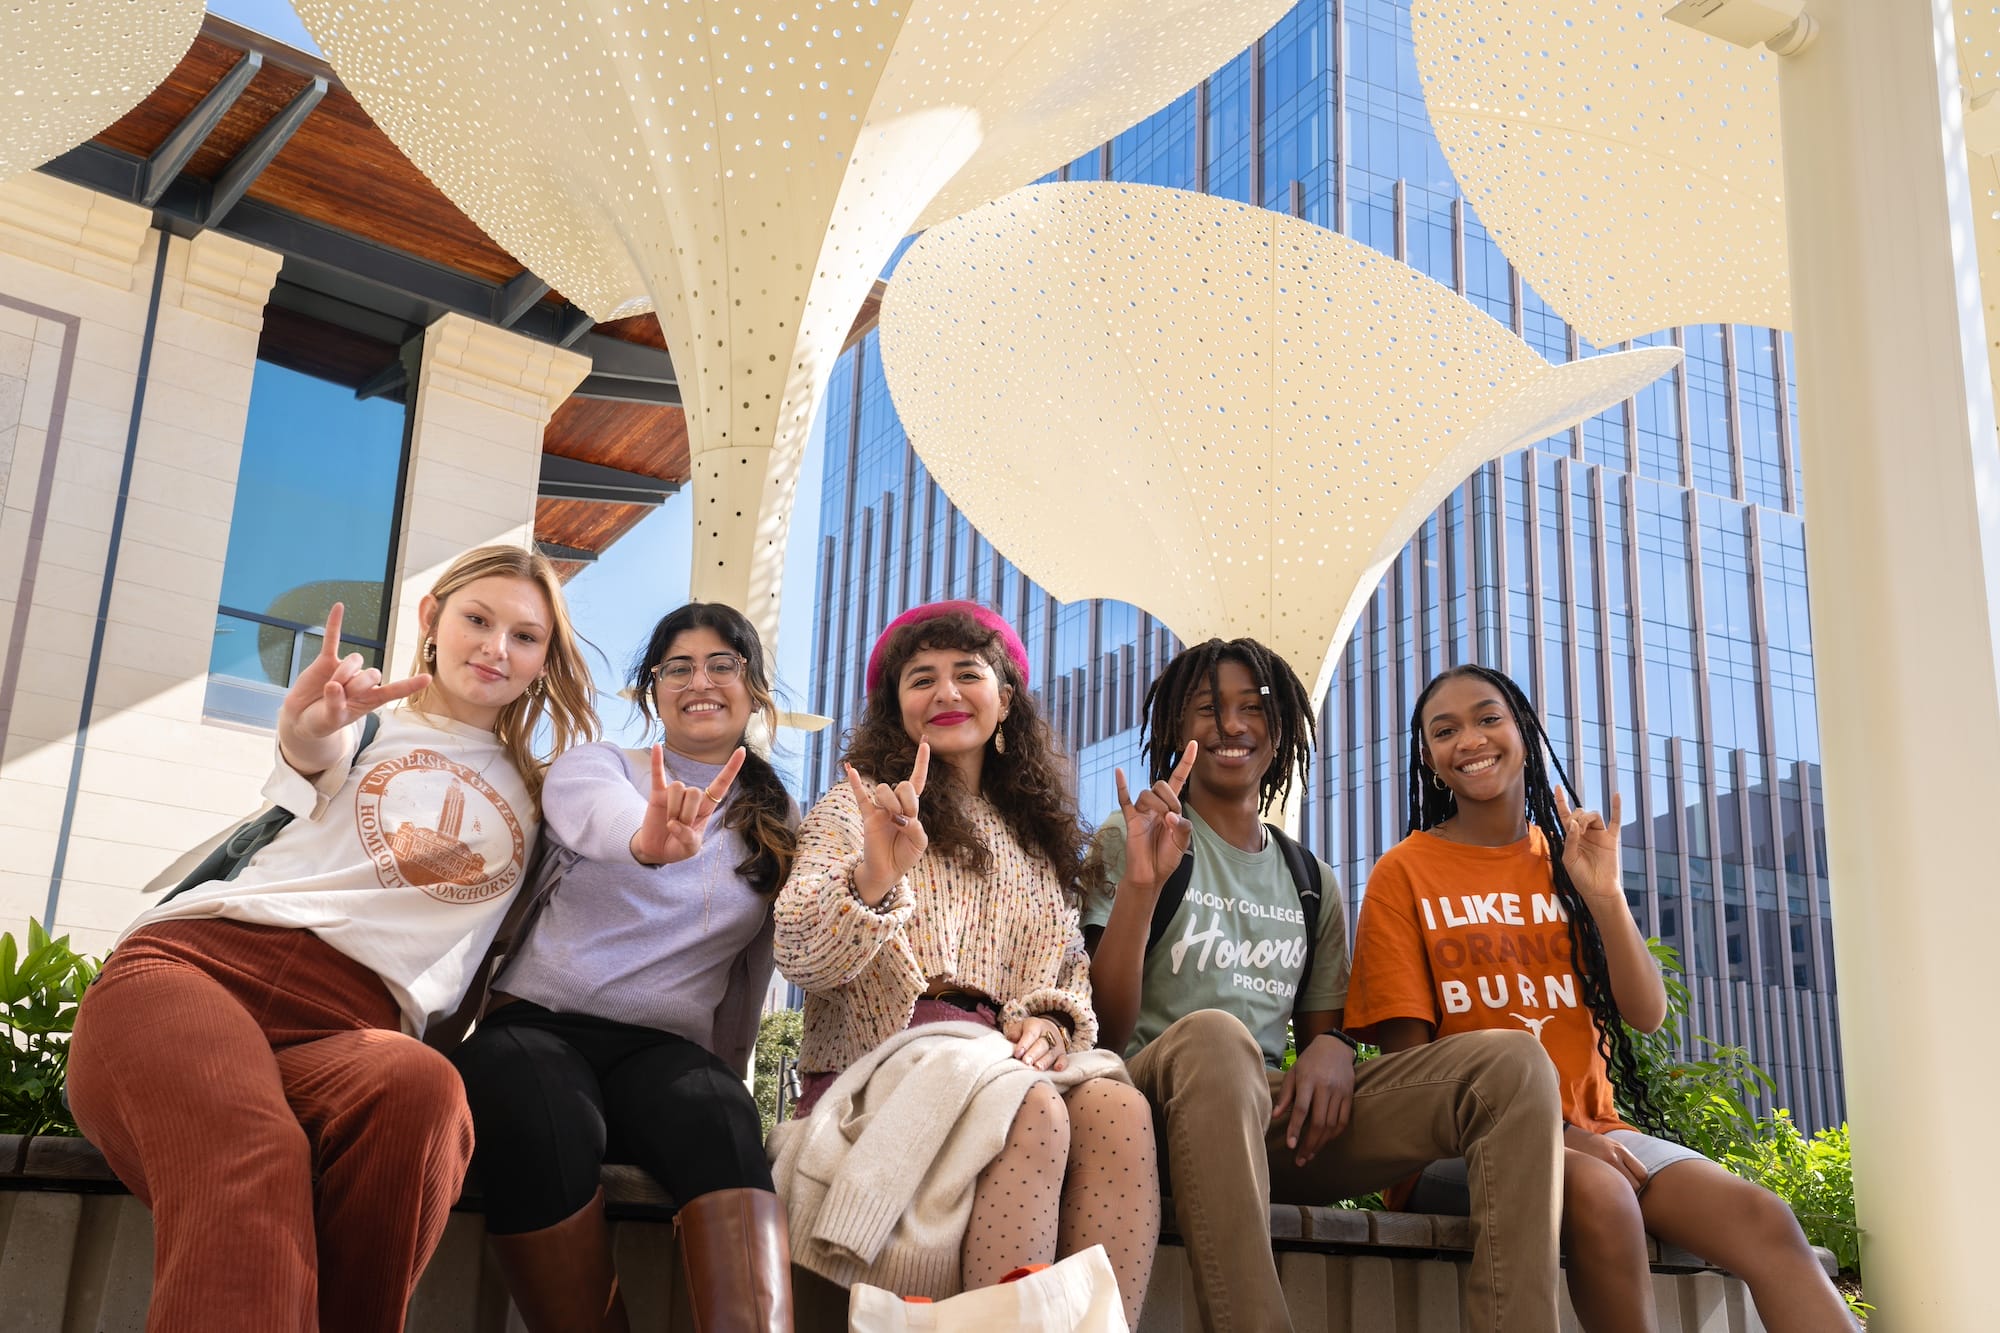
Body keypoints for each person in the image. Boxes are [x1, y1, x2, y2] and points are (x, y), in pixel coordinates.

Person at [65, 545, 597, 1333]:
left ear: (545, 658)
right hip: (199, 971)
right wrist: (307, 724)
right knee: (255, 1156)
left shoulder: (548, 794)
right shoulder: (369, 717)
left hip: (354, 1029)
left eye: (524, 635)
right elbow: (315, 752)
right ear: (432, 620)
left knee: (425, 1091)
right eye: (478, 620)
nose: (496, 647)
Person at [1344, 663, 1853, 1332]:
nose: (1469, 738)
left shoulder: (1566, 860)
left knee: (1764, 1217)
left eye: (1488, 717)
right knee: (1603, 1193)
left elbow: (1645, 1012)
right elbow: (1410, 1082)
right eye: (1446, 729)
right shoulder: (1402, 873)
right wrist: (1556, 1140)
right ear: (1429, 758)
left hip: (1599, 1130)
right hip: (1459, 1147)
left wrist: (1605, 895)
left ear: (1523, 731)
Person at [1082, 636, 1565, 1332]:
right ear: (1174, 731)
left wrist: (1337, 1043)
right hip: (1150, 1108)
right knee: (1220, 1040)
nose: (1232, 726)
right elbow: (1102, 1028)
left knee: (1515, 1063)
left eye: (1253, 708)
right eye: (1208, 709)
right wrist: (1137, 885)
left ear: (1281, 734)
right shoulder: (1132, 838)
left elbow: (1319, 1053)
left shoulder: (1312, 882)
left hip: (1267, 1126)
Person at [772, 601, 1158, 1325]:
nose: (946, 693)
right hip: (879, 1063)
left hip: (999, 1057)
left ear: (1005, 699)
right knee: (1030, 1104)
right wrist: (872, 879)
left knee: (1120, 1109)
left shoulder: (1036, 844)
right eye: (921, 679)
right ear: (896, 707)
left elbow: (1068, 973)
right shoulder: (857, 809)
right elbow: (797, 950)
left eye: (967, 674)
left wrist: (1049, 1017)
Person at [450, 601, 799, 1333]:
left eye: (721, 663)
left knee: (725, 1119)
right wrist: (645, 842)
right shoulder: (599, 767)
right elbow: (596, 816)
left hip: (664, 1054)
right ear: (652, 690)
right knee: (548, 1113)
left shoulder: (779, 821)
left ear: (755, 688)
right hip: (538, 1028)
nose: (699, 679)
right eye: (678, 666)